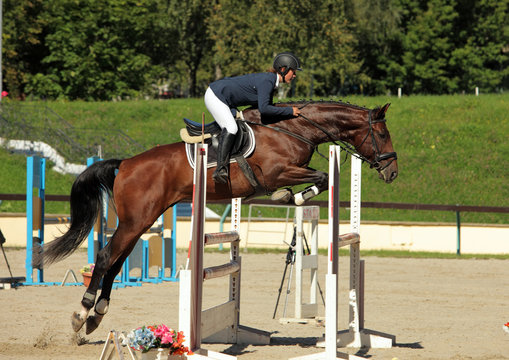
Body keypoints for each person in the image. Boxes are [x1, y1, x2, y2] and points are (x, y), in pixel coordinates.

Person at [204, 52, 302, 184]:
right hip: (216, 96)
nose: (295, 75)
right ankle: (220, 169)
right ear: (283, 70)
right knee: (231, 128)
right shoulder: (268, 81)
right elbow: (265, 109)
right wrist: (289, 111)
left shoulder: (270, 81)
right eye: (293, 72)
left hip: (226, 99)